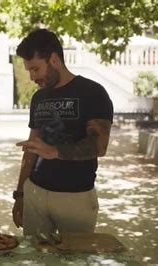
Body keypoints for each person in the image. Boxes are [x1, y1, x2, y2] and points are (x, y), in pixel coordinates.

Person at [12, 29, 114, 236]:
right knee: (35, 257)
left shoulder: (93, 92)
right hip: (36, 193)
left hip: (75, 197)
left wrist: (55, 151)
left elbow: (99, 146)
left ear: (54, 59)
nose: (32, 77)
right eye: (29, 71)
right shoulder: (38, 98)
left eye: (35, 69)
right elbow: (31, 149)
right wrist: (20, 194)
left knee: (75, 258)